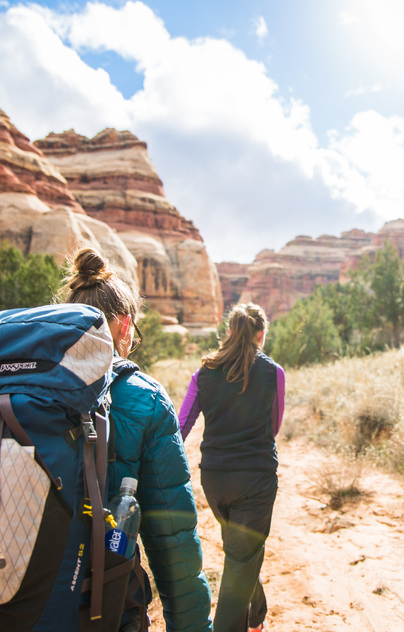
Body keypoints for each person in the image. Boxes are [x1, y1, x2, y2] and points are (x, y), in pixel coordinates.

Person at [60, 247, 213, 632]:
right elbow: (172, 539)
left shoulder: (22, 388)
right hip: (103, 607)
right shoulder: (144, 397)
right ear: (125, 326)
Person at [177, 303, 284, 632]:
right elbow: (274, 426)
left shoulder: (203, 373)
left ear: (230, 333)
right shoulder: (273, 372)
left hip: (216, 481)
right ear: (260, 335)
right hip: (256, 481)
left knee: (243, 553)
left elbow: (179, 428)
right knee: (241, 558)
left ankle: (255, 618)